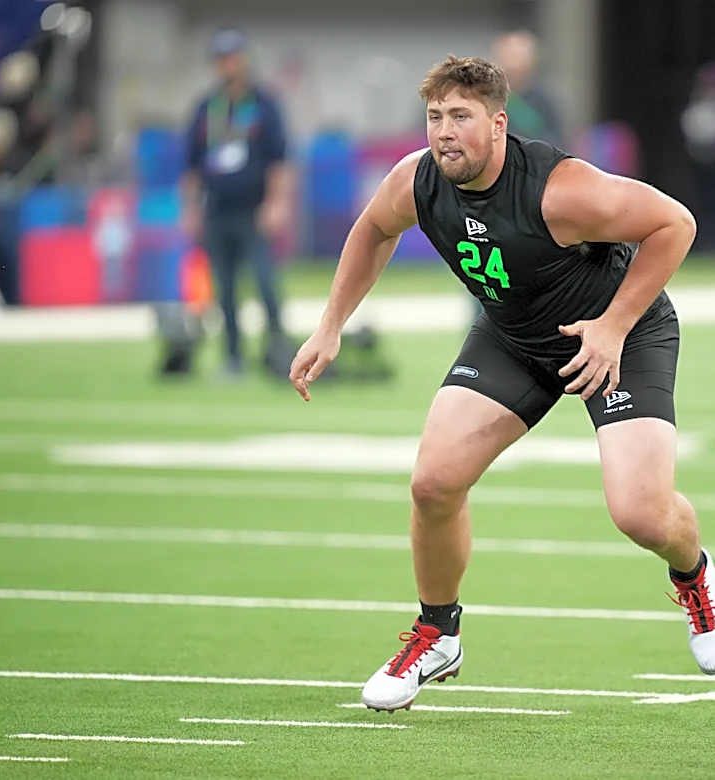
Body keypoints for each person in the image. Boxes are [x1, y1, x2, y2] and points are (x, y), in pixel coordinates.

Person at [289, 55, 714, 713]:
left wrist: (612, 325)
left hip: (616, 336)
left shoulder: (560, 189)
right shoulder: (417, 181)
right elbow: (373, 229)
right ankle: (438, 633)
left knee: (639, 513)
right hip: (514, 338)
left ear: (497, 123)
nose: (444, 132)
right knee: (433, 483)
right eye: (435, 117)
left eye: (460, 117)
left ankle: (697, 579)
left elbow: (675, 224)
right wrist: (330, 326)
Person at [179, 27, 293, 377]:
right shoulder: (206, 109)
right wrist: (191, 209)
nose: (227, 65)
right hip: (217, 210)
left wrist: (276, 203)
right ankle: (233, 357)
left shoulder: (264, 105)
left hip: (253, 210)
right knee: (224, 290)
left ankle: (278, 351)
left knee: (264, 282)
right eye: (221, 59)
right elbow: (192, 166)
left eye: (232, 57)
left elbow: (279, 161)